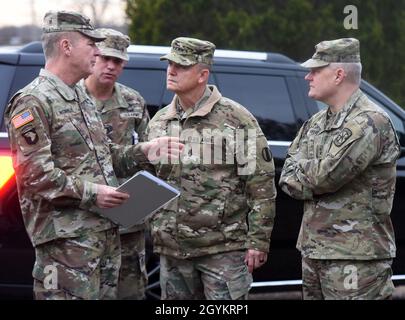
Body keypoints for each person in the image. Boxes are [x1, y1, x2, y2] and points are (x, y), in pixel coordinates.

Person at [4, 10, 182, 300]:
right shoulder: (33, 101)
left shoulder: (79, 97)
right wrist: (93, 193)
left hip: (103, 236)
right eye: (91, 43)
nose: (98, 51)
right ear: (66, 46)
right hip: (66, 245)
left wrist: (143, 150)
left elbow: (102, 156)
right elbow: (35, 175)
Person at [146, 37, 276, 300]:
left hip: (222, 250)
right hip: (172, 251)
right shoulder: (160, 121)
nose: (171, 70)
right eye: (169, 64)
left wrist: (258, 241)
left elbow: (260, 184)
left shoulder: (236, 118)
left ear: (202, 74)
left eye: (181, 66)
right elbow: (152, 180)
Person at [279, 38, 400, 300]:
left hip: (355, 258)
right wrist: (310, 171)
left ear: (338, 75)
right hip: (314, 251)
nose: (307, 76)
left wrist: (307, 170)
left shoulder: (369, 121)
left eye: (315, 70)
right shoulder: (315, 122)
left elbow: (326, 178)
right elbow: (287, 175)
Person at [80, 28, 149, 300]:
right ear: (93, 56)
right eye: (105, 58)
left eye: (118, 61)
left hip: (127, 221)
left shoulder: (133, 101)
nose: (110, 66)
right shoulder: (71, 99)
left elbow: (147, 153)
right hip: (83, 218)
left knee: (129, 291)